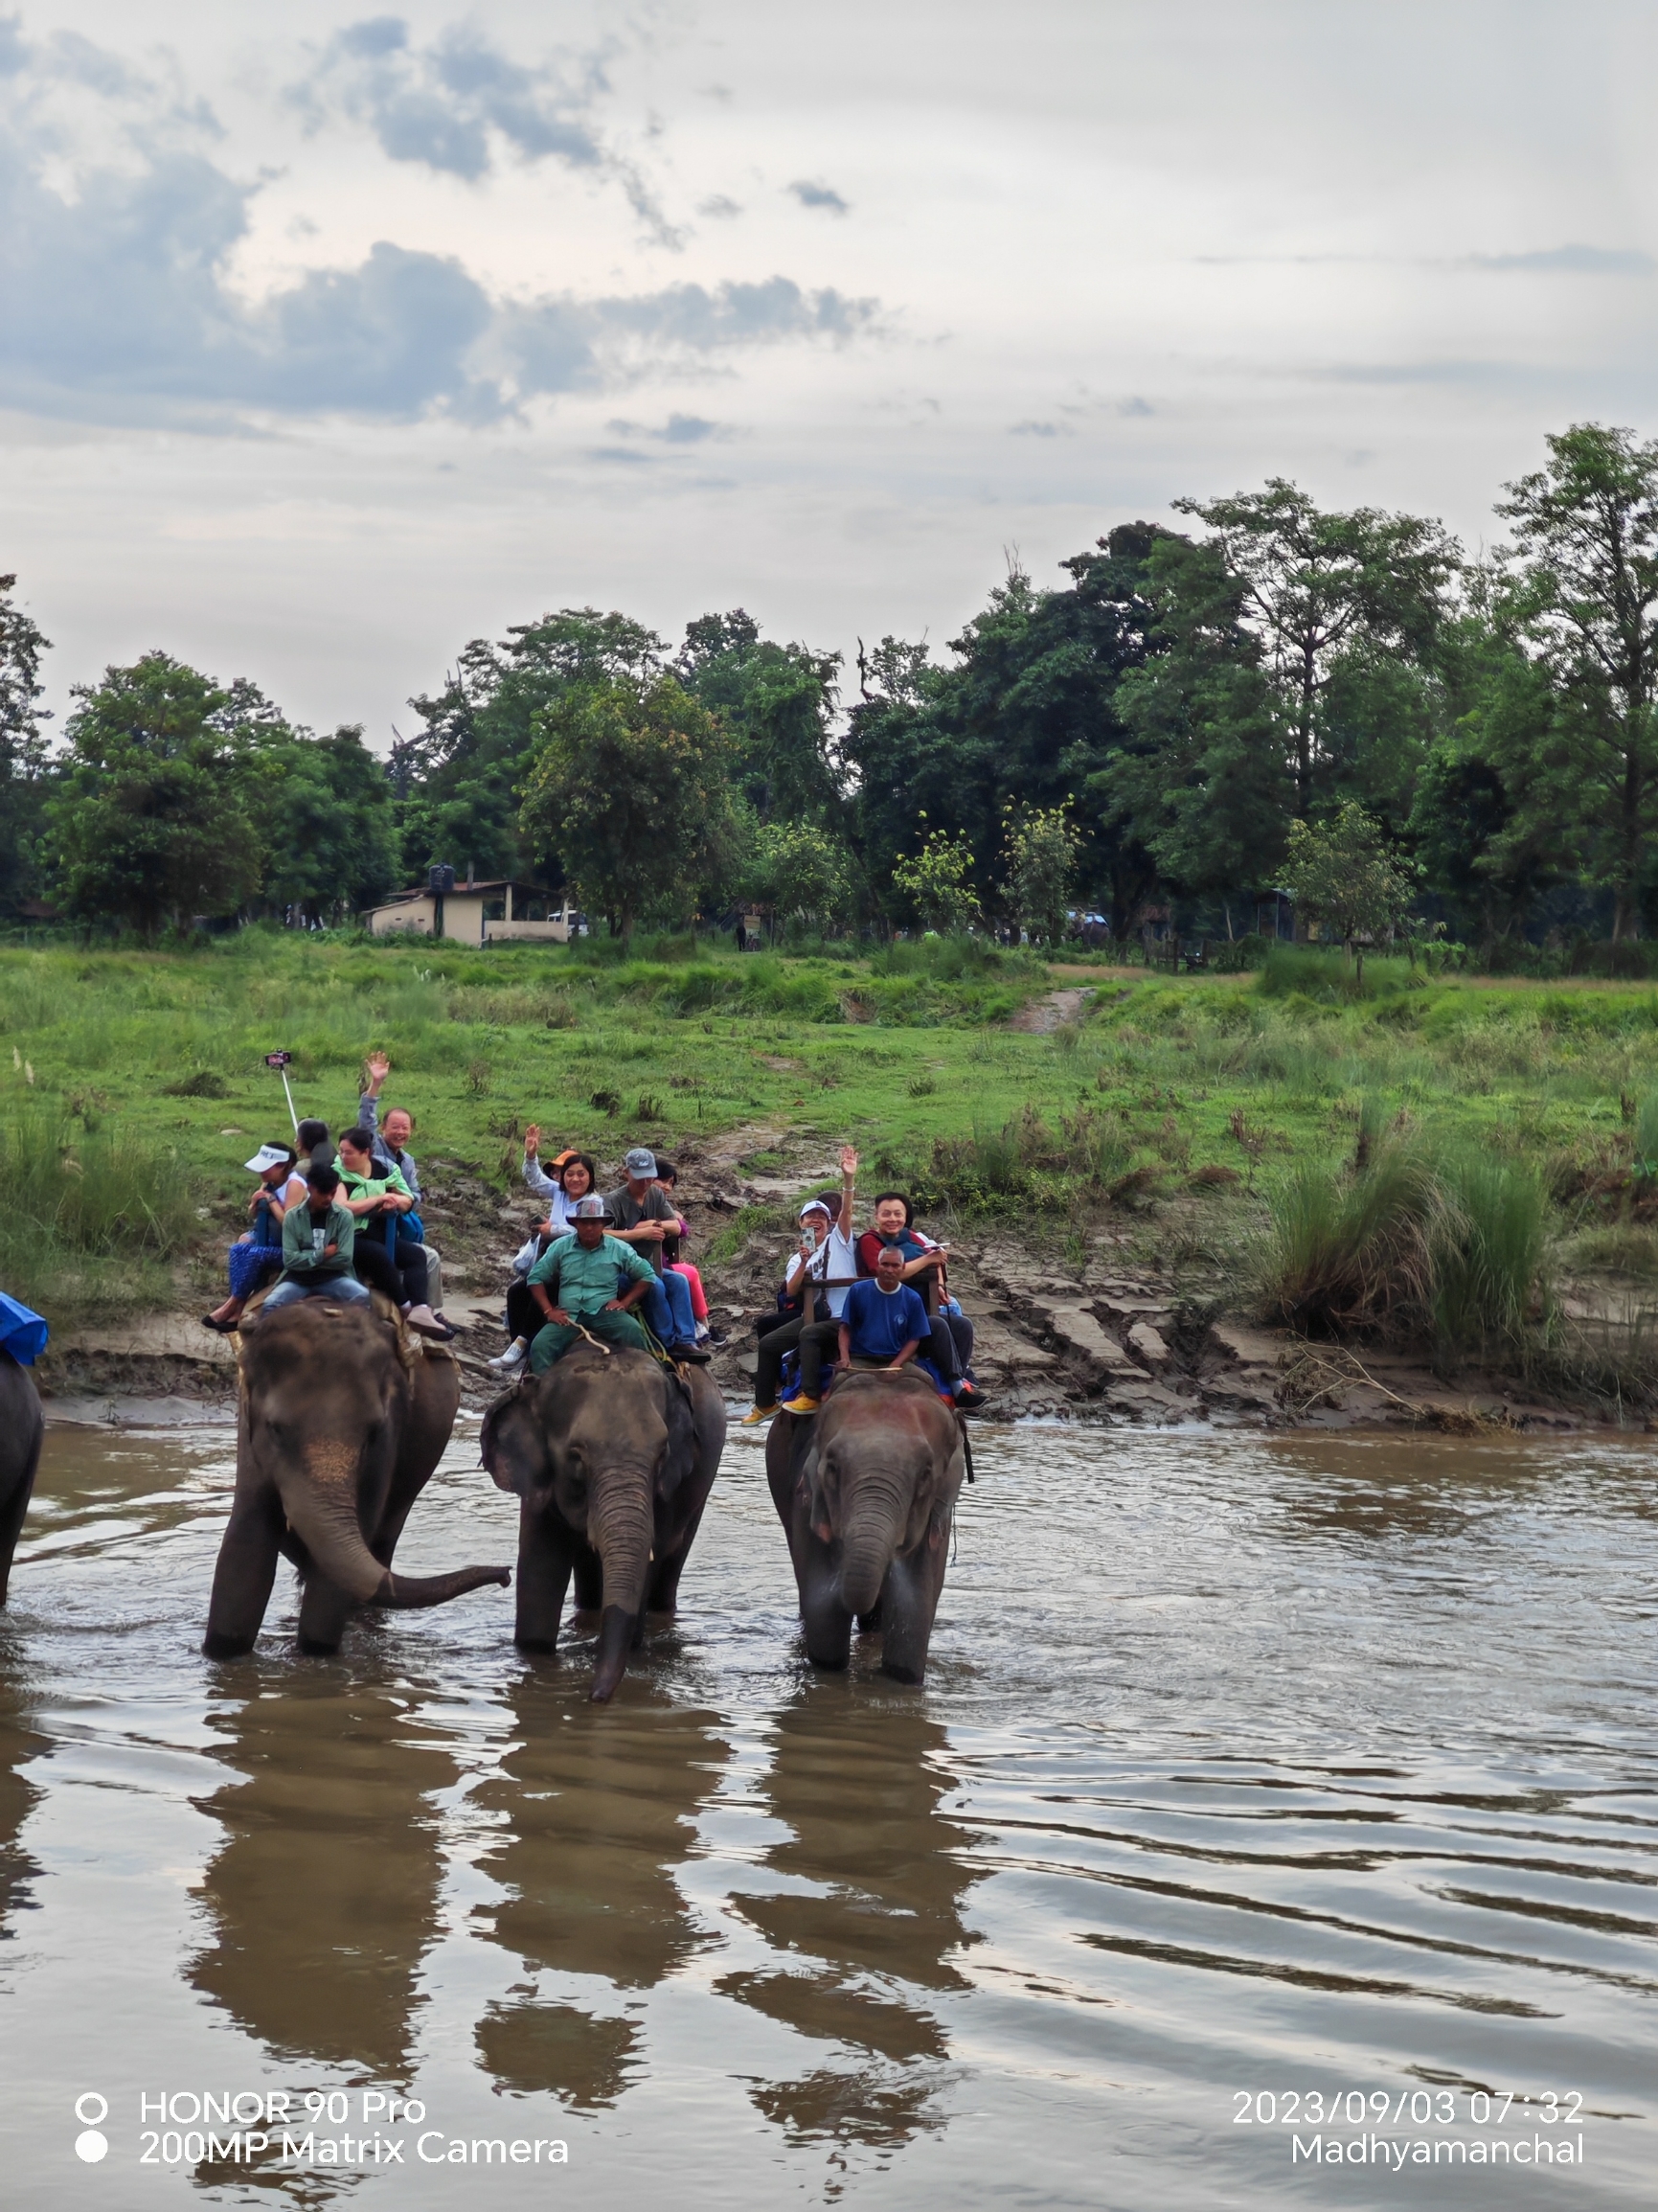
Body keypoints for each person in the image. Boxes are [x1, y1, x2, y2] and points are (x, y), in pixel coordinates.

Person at [741, 1146, 860, 1423]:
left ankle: (810, 1394)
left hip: (842, 1315)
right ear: (801, 1223)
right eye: (811, 1217)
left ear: (829, 1223)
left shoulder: (838, 1241)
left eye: (822, 1217)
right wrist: (806, 1262)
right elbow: (792, 1290)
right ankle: (765, 1404)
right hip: (818, 1314)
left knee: (809, 1333)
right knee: (769, 1343)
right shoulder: (801, 1256)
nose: (816, 1220)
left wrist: (848, 1180)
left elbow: (847, 1212)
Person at [855, 1190, 986, 1409]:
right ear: (876, 1216)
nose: (892, 1219)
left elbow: (936, 1258)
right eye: (886, 1214)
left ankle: (955, 1379)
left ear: (905, 1217)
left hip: (914, 1310)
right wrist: (927, 1259)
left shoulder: (912, 1237)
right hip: (883, 1313)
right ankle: (956, 1387)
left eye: (898, 1214)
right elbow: (890, 1273)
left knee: (963, 1325)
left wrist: (941, 1285)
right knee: (937, 1324)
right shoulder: (869, 1241)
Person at [488, 1152, 602, 1375]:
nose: (575, 1179)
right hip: (553, 1258)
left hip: (578, 1263)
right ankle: (518, 1349)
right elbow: (535, 1179)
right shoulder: (560, 1194)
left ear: (590, 1177)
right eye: (570, 1174)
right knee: (516, 1292)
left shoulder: (593, 1202)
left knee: (543, 1286)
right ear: (562, 1177)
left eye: (581, 1174)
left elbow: (587, 1228)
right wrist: (530, 1156)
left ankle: (522, 1342)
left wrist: (554, 1229)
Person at [357, 1053, 448, 1320]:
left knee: (429, 1257)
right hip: (368, 1228)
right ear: (383, 1127)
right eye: (395, 1127)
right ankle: (410, 1307)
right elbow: (366, 1119)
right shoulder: (372, 1148)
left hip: (394, 1227)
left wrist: (404, 1200)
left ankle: (428, 1311)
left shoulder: (407, 1161)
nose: (400, 1132)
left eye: (405, 1128)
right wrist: (376, 1085)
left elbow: (415, 1194)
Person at [334, 1127, 449, 1336]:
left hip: (382, 1234)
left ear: (365, 1152)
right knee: (377, 1254)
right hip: (350, 1238)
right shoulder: (338, 1175)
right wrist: (379, 1199)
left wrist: (395, 1200)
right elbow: (343, 1207)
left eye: (348, 1152)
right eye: (340, 1151)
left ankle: (422, 1309)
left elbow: (408, 1199)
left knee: (417, 1255)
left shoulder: (386, 1171)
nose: (342, 1157)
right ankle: (405, 1306)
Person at [525, 1195, 655, 1372]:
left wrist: (624, 1303)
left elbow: (647, 1275)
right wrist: (549, 1311)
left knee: (633, 1331)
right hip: (568, 1316)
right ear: (576, 1224)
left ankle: (646, 1379)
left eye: (594, 1223)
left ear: (603, 1225)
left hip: (604, 1313)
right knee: (540, 1345)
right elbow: (535, 1277)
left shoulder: (619, 1248)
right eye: (584, 1223)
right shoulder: (560, 1246)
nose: (589, 1227)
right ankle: (539, 1391)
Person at [602, 1146, 700, 1357]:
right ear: (626, 1173)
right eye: (640, 1178)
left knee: (679, 1281)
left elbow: (675, 1226)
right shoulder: (611, 1201)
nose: (645, 1183)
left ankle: (687, 1340)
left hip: (650, 1264)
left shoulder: (655, 1194)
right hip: (622, 1269)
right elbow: (603, 1234)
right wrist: (636, 1233)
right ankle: (666, 1342)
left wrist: (652, 1224)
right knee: (655, 1286)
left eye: (649, 1178)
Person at [202, 1142, 306, 1332]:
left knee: (256, 1254)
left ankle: (233, 1304)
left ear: (283, 1166)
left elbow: (289, 1224)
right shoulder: (269, 1182)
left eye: (266, 1168)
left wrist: (271, 1201)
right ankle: (237, 1303)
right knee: (238, 1248)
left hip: (292, 1246)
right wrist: (255, 1203)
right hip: (270, 1237)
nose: (262, 1174)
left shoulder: (295, 1184)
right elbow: (253, 1214)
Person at [258, 1163, 372, 1313]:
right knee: (271, 1303)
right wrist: (323, 1254)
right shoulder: (292, 1217)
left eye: (332, 1193)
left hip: (334, 1279)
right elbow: (290, 1260)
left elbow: (344, 1258)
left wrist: (305, 1259)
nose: (329, 1198)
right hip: (297, 1280)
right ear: (310, 1188)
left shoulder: (344, 1217)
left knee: (362, 1295)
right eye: (323, 1193)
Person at [837, 1243, 936, 1383]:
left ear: (902, 1268)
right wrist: (845, 1358)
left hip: (896, 1359)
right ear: (877, 1266)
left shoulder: (913, 1298)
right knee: (841, 1381)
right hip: (862, 1359)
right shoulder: (857, 1291)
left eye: (895, 1265)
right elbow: (845, 1328)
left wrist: (896, 1365)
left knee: (927, 1381)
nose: (889, 1270)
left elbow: (914, 1339)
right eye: (885, 1264)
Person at [652, 1158, 716, 1342]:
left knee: (688, 1273)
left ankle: (702, 1325)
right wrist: (669, 1223)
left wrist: (664, 1223)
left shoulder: (662, 1203)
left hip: (661, 1261)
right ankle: (703, 1325)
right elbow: (678, 1225)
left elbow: (683, 1229)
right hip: (655, 1263)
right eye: (663, 1181)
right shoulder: (646, 1201)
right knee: (689, 1273)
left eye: (671, 1184)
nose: (667, 1187)